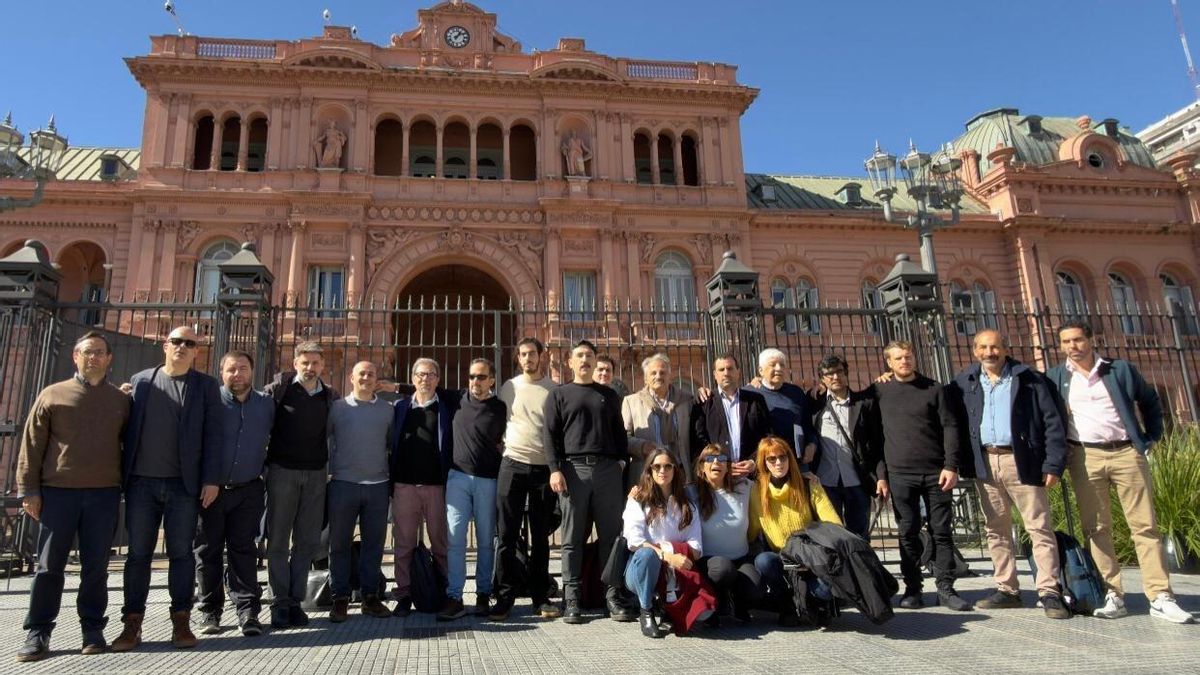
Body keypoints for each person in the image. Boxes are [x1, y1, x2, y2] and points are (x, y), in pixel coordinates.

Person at [1046, 320, 1193, 623]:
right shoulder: (1057, 377)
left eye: (1077, 340)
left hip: (1127, 452)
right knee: (1096, 528)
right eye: (1065, 342)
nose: (1072, 346)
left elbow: (1150, 401)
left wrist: (1149, 439)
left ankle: (1160, 595)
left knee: (1145, 526)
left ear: (1091, 339)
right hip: (1085, 456)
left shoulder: (1119, 369)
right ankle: (1112, 593)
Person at [15, 332, 130, 662]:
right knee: (49, 566)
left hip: (104, 493)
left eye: (99, 353)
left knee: (96, 567)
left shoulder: (120, 401)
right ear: (75, 357)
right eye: (87, 352)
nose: (93, 357)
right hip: (58, 493)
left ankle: (92, 629)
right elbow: (31, 446)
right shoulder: (53, 395)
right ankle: (38, 631)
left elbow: (127, 443)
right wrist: (29, 491)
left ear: (109, 359)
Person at [945, 330, 1070, 619]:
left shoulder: (1028, 379)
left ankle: (1049, 591)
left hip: (1021, 459)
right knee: (996, 529)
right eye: (984, 347)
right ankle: (1007, 589)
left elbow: (1053, 421)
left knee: (1038, 527)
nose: (990, 352)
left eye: (996, 347)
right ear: (975, 350)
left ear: (1005, 348)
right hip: (986, 462)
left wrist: (1053, 464)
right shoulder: (965, 382)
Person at [113, 326, 222, 652]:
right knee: (137, 557)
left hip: (183, 486)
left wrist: (211, 478)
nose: (183, 347)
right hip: (141, 484)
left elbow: (213, 435)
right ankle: (132, 624)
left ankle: (181, 621)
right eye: (177, 341)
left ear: (196, 351)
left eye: (190, 343)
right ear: (165, 345)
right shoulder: (141, 381)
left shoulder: (205, 386)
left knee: (181, 555)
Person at [869, 340, 970, 612]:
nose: (905, 361)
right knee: (907, 531)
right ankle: (913, 588)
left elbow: (950, 427)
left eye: (908, 356)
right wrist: (881, 474)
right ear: (888, 363)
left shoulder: (933, 388)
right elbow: (870, 432)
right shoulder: (879, 390)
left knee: (942, 531)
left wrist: (952, 465)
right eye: (899, 358)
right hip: (900, 474)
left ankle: (946, 588)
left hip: (936, 472)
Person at [544, 339, 631, 624]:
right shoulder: (559, 394)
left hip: (607, 470)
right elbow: (550, 436)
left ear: (595, 362)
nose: (584, 360)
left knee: (611, 536)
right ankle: (572, 600)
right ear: (570, 362)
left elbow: (619, 433)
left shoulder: (608, 394)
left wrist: (620, 461)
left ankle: (612, 597)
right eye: (579, 355)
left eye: (589, 356)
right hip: (573, 470)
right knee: (572, 539)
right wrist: (555, 469)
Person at [195, 351, 274, 638]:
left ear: (252, 372)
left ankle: (247, 611)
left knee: (244, 550)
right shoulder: (208, 401)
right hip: (211, 489)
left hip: (249, 488)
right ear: (222, 372)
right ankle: (209, 611)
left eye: (242, 369)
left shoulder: (266, 404)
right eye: (231, 369)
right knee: (208, 551)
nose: (237, 374)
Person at [263, 342, 339, 629]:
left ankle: (295, 601)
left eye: (315, 363)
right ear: (295, 363)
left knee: (307, 542)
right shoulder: (278, 392)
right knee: (279, 540)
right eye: (305, 362)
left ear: (323, 365)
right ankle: (279, 602)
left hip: (317, 474)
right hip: (283, 472)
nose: (310, 368)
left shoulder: (329, 396)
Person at [492, 338, 561, 621]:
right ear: (519, 358)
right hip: (512, 464)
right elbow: (496, 419)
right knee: (507, 534)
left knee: (541, 536)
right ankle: (505, 597)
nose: (527, 358)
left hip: (543, 469)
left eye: (532, 353)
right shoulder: (509, 387)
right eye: (523, 354)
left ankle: (539, 597)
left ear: (541, 356)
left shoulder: (554, 390)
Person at [748, 436, 842, 626]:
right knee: (763, 561)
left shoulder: (808, 484)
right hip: (783, 560)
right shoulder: (758, 492)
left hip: (812, 557)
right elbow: (751, 531)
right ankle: (788, 605)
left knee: (825, 589)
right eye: (771, 459)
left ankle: (815, 605)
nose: (778, 463)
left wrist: (819, 554)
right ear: (764, 463)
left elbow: (834, 524)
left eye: (782, 457)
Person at [326, 361, 394, 622]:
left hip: (377, 486)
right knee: (338, 544)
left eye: (371, 373)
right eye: (361, 374)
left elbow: (390, 443)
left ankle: (370, 597)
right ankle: (340, 597)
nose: (366, 377)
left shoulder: (388, 410)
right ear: (351, 378)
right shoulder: (337, 408)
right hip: (343, 484)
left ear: (377, 379)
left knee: (374, 545)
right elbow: (325, 440)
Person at [390, 357, 458, 616]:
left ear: (438, 379)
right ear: (413, 377)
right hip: (405, 485)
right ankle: (404, 594)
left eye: (431, 375)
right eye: (420, 375)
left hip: (437, 487)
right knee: (404, 543)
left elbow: (459, 392)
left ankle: (444, 590)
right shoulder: (399, 408)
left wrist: (399, 385)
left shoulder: (447, 407)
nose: (425, 379)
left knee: (441, 543)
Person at [441, 358, 507, 621]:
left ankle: (483, 593)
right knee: (455, 539)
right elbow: (423, 386)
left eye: (481, 377)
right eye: (471, 377)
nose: (475, 382)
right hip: (457, 477)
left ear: (492, 379)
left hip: (488, 480)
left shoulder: (500, 407)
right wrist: (394, 386)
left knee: (485, 542)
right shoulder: (456, 399)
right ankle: (455, 596)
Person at [622, 447, 704, 638]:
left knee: (705, 613)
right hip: (640, 571)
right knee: (647, 554)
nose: (662, 471)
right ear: (649, 470)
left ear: (675, 470)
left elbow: (697, 548)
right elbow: (635, 542)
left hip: (674, 573)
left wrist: (672, 556)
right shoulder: (638, 501)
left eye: (668, 466)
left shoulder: (687, 506)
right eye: (657, 466)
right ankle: (646, 611)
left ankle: (667, 606)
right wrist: (669, 555)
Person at [688, 444, 762, 625]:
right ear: (701, 467)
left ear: (728, 466)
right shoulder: (691, 493)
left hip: (740, 557)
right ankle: (713, 601)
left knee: (755, 588)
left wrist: (806, 478)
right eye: (710, 459)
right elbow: (663, 494)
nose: (716, 463)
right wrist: (636, 494)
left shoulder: (744, 487)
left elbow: (773, 477)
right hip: (709, 563)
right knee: (723, 569)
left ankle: (736, 602)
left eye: (722, 459)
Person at [809, 355, 879, 540]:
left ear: (846, 373)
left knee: (860, 535)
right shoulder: (815, 405)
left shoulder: (864, 403)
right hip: (826, 480)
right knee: (832, 534)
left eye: (839, 371)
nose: (835, 377)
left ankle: (861, 568)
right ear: (822, 379)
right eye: (829, 374)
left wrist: (881, 477)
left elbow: (877, 442)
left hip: (856, 479)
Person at [689, 354, 771, 477]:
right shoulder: (704, 403)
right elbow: (698, 441)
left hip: (751, 476)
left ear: (738, 372)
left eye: (730, 368)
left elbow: (767, 435)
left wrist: (754, 461)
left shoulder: (756, 400)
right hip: (717, 478)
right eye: (721, 370)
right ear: (715, 375)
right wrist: (720, 463)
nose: (726, 373)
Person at [622, 353, 695, 488]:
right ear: (645, 378)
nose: (658, 376)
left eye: (662, 372)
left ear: (669, 375)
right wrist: (642, 446)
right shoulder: (631, 402)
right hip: (646, 472)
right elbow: (622, 438)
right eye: (653, 373)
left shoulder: (686, 400)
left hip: (679, 472)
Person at [749, 349, 817, 470]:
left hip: (796, 462)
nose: (779, 368)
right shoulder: (750, 393)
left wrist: (812, 444)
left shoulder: (796, 392)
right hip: (765, 463)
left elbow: (807, 424)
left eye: (782, 365)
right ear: (760, 370)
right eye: (773, 365)